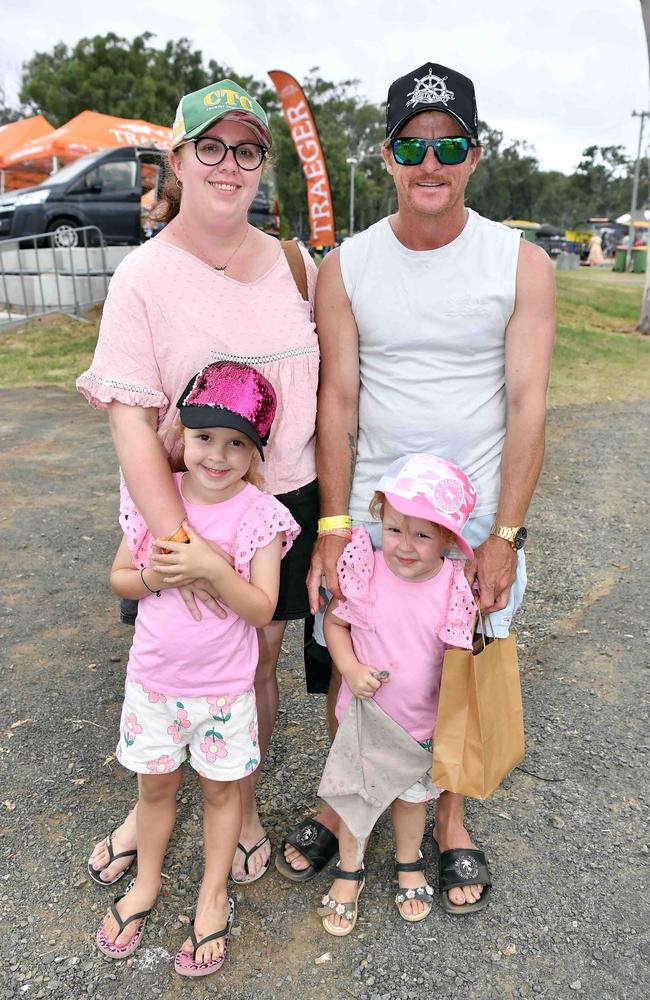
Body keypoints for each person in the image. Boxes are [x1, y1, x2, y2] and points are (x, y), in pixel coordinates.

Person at [280, 61, 555, 912]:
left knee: (452, 684)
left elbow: (526, 403)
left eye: (449, 145)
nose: (429, 163)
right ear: (390, 156)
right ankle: (346, 804)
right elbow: (338, 395)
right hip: (373, 525)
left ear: (475, 154)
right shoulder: (348, 266)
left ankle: (450, 823)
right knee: (354, 673)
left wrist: (504, 536)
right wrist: (331, 523)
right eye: (411, 145)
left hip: (469, 530)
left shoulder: (522, 264)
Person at [77, 78, 319, 888]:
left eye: (246, 149)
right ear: (177, 159)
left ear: (262, 164)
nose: (228, 165)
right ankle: (146, 803)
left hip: (281, 498)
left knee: (257, 661)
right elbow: (129, 421)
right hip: (178, 507)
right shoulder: (142, 277)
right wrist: (180, 546)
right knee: (168, 663)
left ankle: (240, 801)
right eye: (209, 147)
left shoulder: (294, 264)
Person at [95, 361, 300, 974]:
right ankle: (147, 884)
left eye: (237, 443)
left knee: (219, 794)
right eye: (205, 436)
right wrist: (156, 575)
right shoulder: (157, 498)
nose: (217, 455)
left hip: (223, 694)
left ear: (256, 453)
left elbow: (263, 606)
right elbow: (120, 578)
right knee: (154, 789)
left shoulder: (258, 515)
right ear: (181, 434)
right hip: (153, 687)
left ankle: (213, 896)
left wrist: (213, 569)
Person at [316, 454, 484, 936]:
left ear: (449, 539)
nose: (404, 546)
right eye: (394, 530)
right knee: (356, 797)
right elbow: (336, 622)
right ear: (380, 522)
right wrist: (348, 668)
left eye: (422, 534)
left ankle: (407, 862)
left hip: (419, 726)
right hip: (365, 719)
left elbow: (456, 654)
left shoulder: (454, 584)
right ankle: (351, 869)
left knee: (412, 801)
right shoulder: (366, 570)